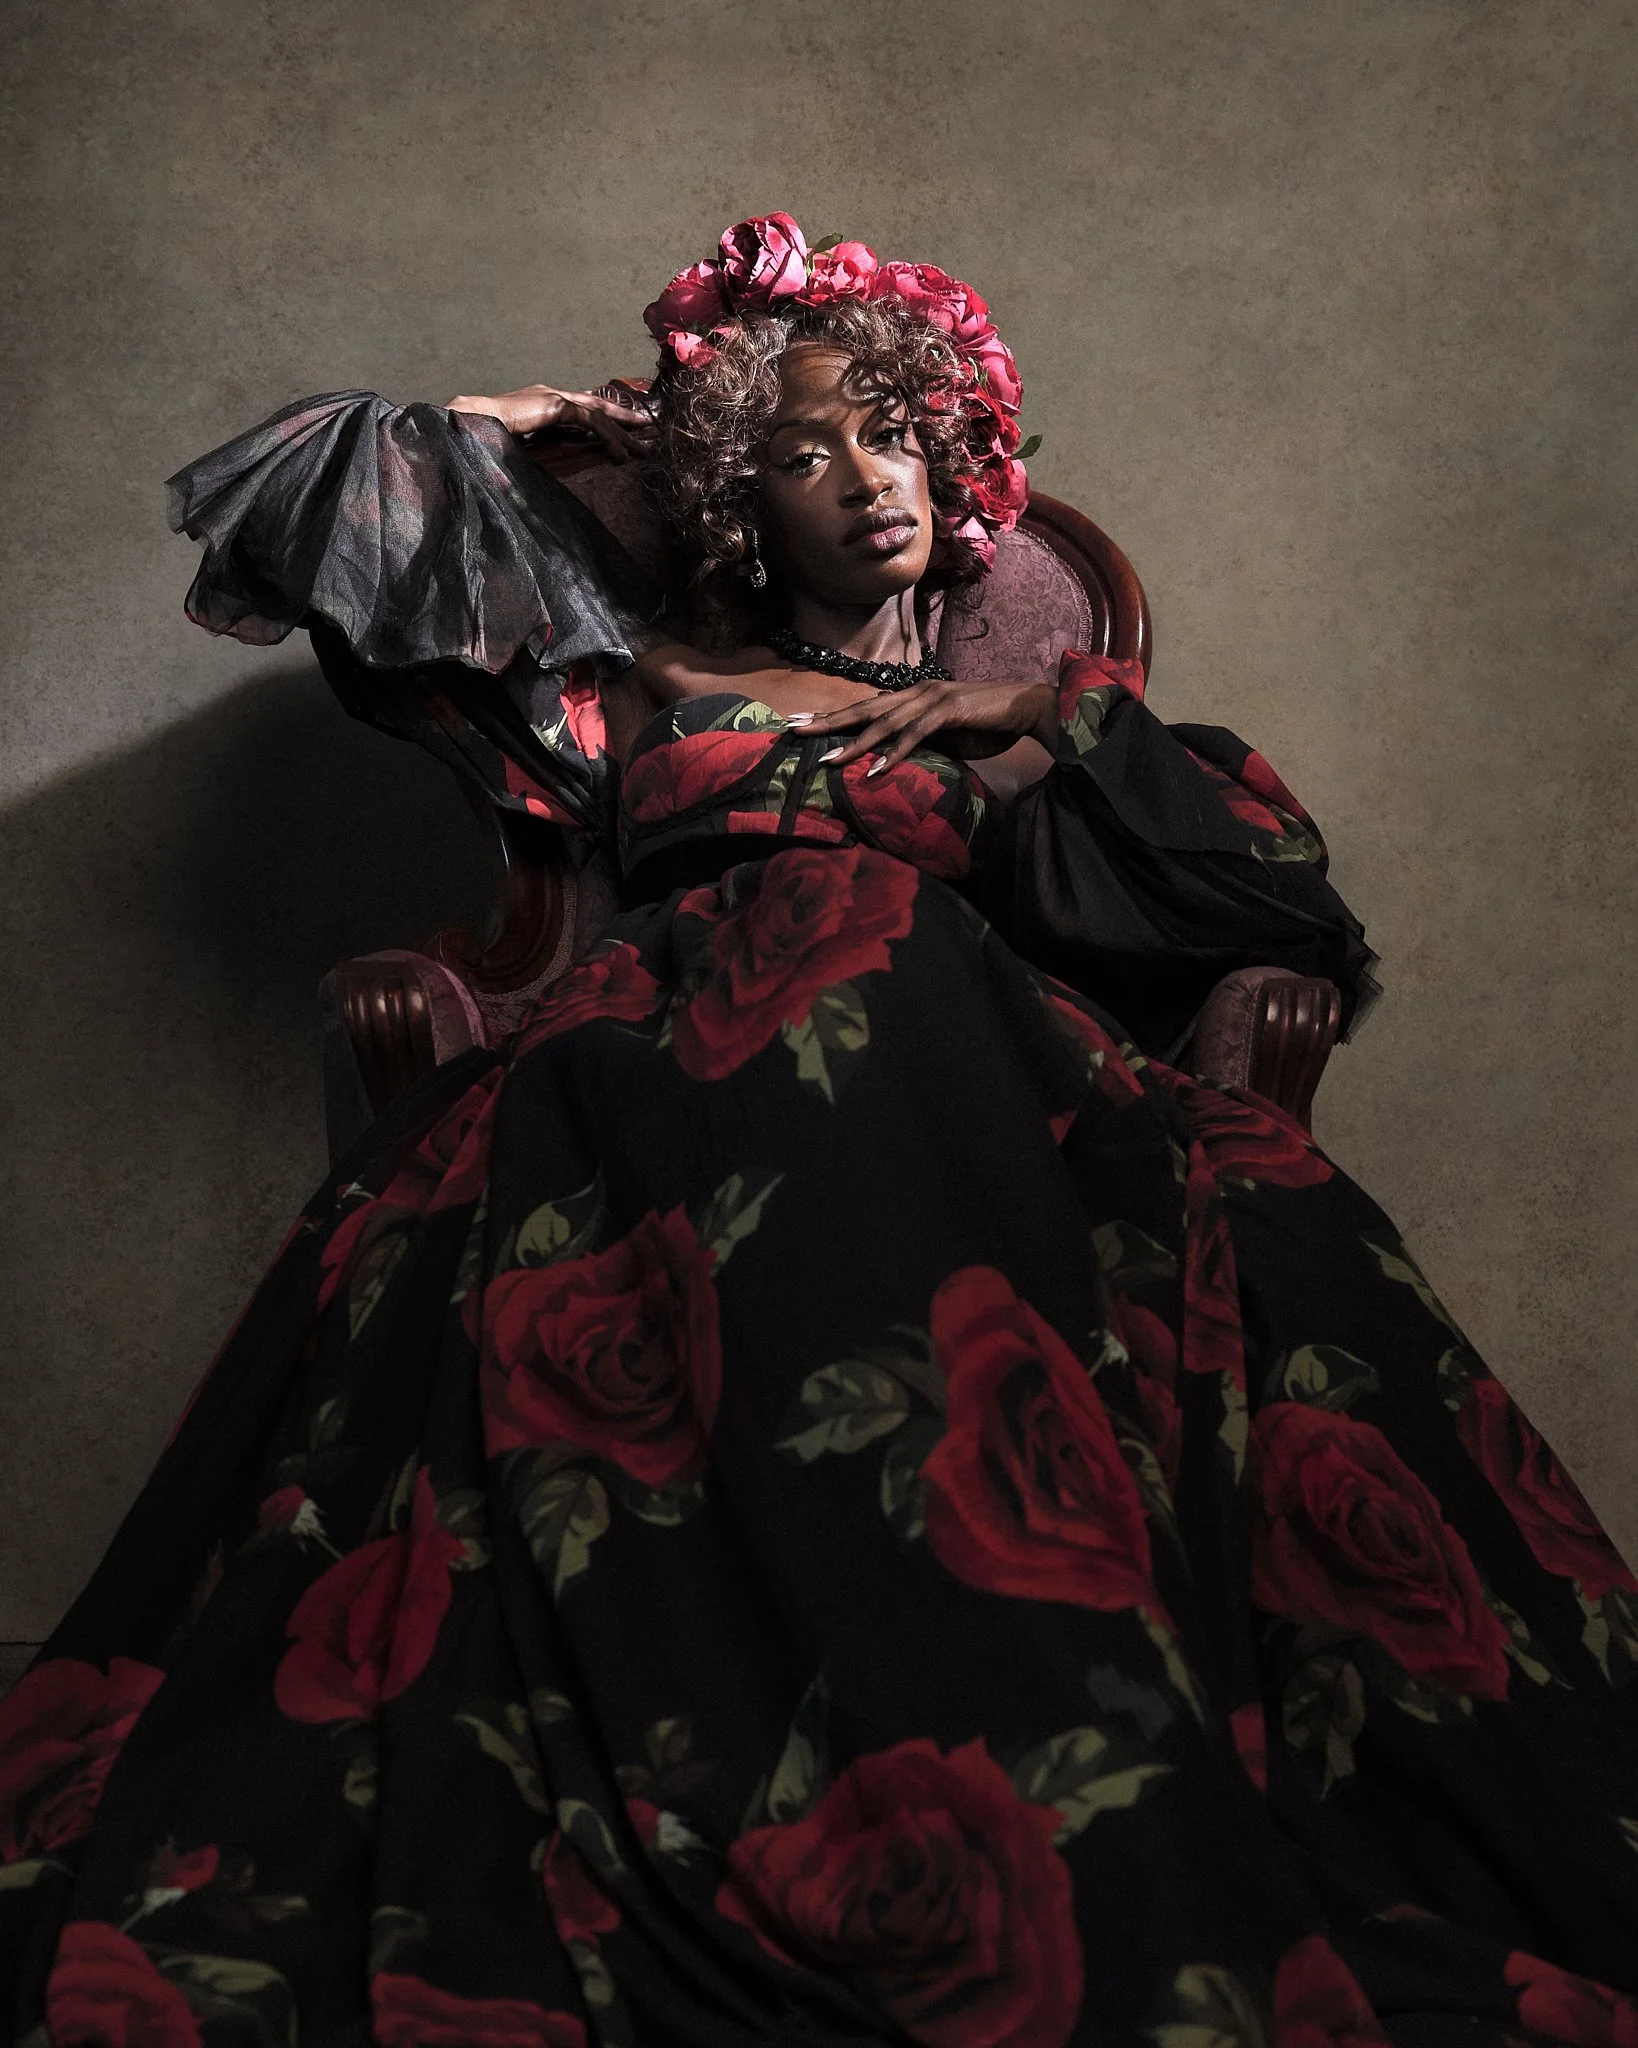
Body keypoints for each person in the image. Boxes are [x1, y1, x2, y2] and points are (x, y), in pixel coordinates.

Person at [1, 213, 1634, 2048]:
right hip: (658, 1073)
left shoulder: (1015, 732)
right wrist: (522, 423)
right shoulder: (631, 688)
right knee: (807, 938)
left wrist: (1044, 707)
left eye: (891, 435)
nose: (867, 481)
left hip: (933, 1082)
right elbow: (313, 508)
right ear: (734, 512)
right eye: (799, 454)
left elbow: (1269, 893)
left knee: (910, 958)